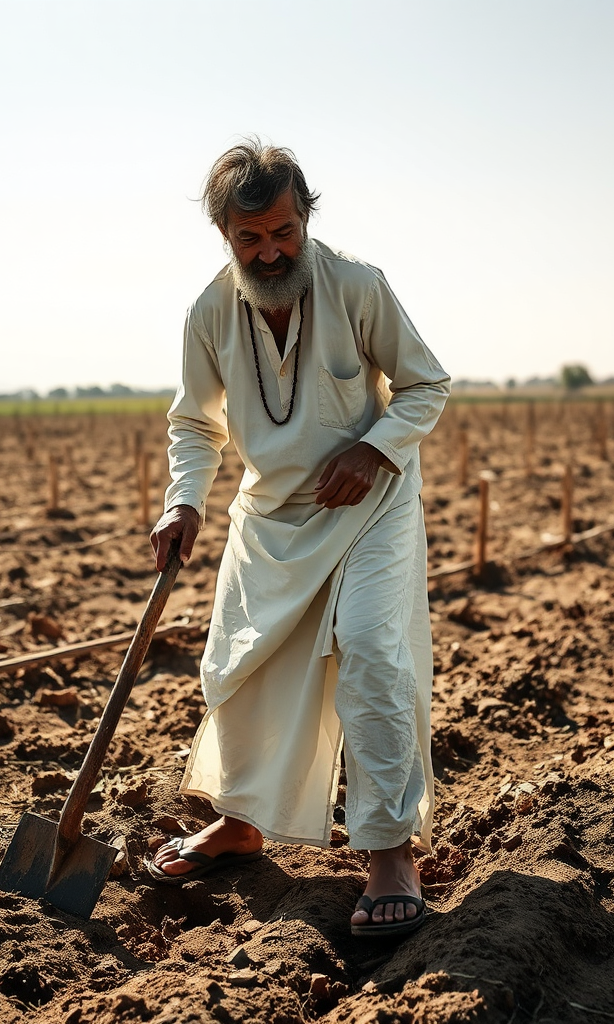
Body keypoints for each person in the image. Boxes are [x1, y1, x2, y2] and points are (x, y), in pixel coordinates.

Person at [147, 139, 450, 936]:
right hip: (272, 513)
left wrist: (374, 446)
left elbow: (427, 383)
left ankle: (389, 854)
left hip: (369, 502)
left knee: (371, 652)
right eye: (250, 239)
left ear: (304, 217)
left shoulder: (357, 285)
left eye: (282, 232)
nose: (270, 251)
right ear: (225, 235)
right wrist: (183, 503)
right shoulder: (211, 312)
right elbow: (194, 425)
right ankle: (242, 821)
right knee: (236, 667)